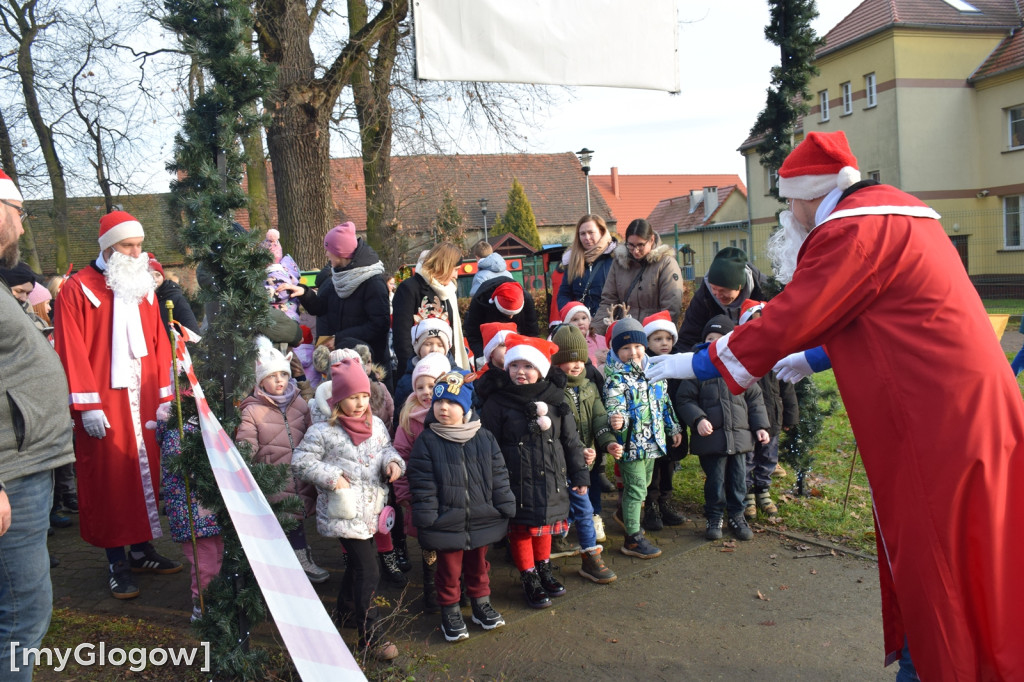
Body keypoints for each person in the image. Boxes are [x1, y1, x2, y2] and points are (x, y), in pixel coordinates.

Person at [646, 130, 1024, 680]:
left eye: (788, 204)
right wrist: (814, 357)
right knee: (978, 555)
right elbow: (891, 315)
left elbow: (789, 316)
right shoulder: (899, 219)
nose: (788, 217)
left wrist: (695, 363)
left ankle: (942, 667)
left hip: (938, 428)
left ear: (810, 195)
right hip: (967, 412)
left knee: (937, 564)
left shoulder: (852, 230)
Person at [52, 210, 179, 599]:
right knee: (109, 481)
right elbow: (70, 348)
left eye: (139, 245)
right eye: (128, 246)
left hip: (143, 399)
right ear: (108, 246)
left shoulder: (141, 285)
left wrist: (165, 397)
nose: (137, 253)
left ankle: (141, 550)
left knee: (143, 475)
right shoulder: (76, 289)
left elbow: (158, 342)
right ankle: (116, 561)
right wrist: (86, 404)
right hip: (103, 401)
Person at [0, 170, 76, 680]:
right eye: (19, 213)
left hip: (23, 467)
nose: (23, 227)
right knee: (22, 615)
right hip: (11, 475)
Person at [291, 356, 404, 662]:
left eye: (364, 396)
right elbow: (300, 461)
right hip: (344, 513)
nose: (359, 403)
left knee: (357, 566)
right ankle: (371, 636)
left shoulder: (375, 424)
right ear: (338, 398)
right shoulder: (323, 431)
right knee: (369, 569)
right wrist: (333, 478)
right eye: (353, 397)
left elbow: (387, 449)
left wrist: (393, 463)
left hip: (371, 510)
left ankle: (344, 612)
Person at [478, 334, 589, 609]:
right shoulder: (497, 402)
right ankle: (529, 576)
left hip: (551, 477)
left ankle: (544, 569)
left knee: (544, 527)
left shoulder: (556, 399)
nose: (520, 371)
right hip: (515, 480)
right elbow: (488, 445)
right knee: (522, 530)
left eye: (528, 366)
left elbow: (571, 440)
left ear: (540, 369)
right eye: (514, 365)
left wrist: (580, 474)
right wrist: (491, 482)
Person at [407, 369, 515, 642]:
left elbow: (499, 474)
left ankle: (481, 604)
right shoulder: (428, 440)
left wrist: (504, 503)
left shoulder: (484, 437)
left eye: (452, 402)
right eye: (439, 401)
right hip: (446, 520)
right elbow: (422, 482)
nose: (444, 408)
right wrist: (428, 516)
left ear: (466, 407)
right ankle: (450, 611)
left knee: (479, 566)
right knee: (448, 571)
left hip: (481, 517)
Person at [236, 337, 327, 583]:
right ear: (260, 380)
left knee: (297, 519)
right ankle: (290, 564)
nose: (280, 381)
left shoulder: (299, 403)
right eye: (272, 376)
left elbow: (312, 433)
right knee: (285, 521)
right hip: (273, 476)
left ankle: (300, 559)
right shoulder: (251, 409)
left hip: (299, 474)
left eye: (284, 375)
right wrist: (244, 455)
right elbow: (247, 441)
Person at [674, 315, 769, 541]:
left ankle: (737, 515)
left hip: (739, 437)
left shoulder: (740, 369)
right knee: (715, 481)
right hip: (711, 439)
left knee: (738, 480)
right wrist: (698, 419)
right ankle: (714, 516)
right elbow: (685, 399)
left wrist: (760, 426)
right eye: (710, 339)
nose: (715, 343)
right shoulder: (698, 369)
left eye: (721, 338)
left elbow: (755, 400)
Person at [603, 317, 683, 559]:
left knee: (643, 485)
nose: (633, 352)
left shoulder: (655, 371)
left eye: (637, 346)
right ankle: (633, 539)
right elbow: (614, 404)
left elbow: (665, 402)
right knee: (637, 488)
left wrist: (673, 427)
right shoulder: (616, 378)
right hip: (630, 444)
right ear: (617, 351)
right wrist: (617, 418)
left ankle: (625, 514)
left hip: (653, 442)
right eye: (626, 348)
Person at [551, 324, 620, 583]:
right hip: (563, 461)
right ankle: (591, 556)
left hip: (585, 460)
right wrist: (580, 450)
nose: (576, 365)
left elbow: (599, 418)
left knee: (574, 506)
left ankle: (557, 536)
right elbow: (559, 430)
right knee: (584, 507)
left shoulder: (590, 387)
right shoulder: (553, 391)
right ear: (557, 361)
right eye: (570, 360)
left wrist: (608, 442)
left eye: (580, 359)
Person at [277, 222, 391, 376]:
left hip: (369, 365)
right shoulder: (336, 277)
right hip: (340, 362)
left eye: (328, 250)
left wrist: (339, 339)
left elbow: (379, 326)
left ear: (340, 252)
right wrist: (303, 292)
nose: (326, 254)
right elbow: (321, 307)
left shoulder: (373, 283)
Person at [154, 379, 222, 622]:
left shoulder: (206, 423)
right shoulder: (178, 430)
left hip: (209, 507)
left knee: (217, 556)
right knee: (205, 563)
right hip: (192, 509)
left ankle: (215, 599)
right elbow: (183, 465)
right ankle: (202, 606)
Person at [392, 352, 451, 612]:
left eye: (432, 385)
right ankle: (431, 589)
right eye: (420, 387)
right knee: (429, 545)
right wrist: (403, 492)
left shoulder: (453, 413)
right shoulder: (409, 418)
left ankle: (453, 585)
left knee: (450, 544)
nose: (426, 392)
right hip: (423, 495)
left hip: (450, 493)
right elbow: (400, 456)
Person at [736, 301, 798, 520]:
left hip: (772, 418)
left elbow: (787, 387)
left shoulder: (778, 356)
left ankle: (763, 489)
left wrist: (790, 416)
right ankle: (747, 493)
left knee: (768, 457)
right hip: (747, 420)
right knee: (748, 458)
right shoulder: (741, 356)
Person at [640, 311, 688, 531]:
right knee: (653, 465)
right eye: (658, 339)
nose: (664, 343)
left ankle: (665, 501)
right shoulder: (644, 364)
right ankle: (651, 504)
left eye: (668, 338)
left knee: (669, 463)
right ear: (648, 341)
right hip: (651, 424)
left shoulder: (679, 361)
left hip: (675, 422)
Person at [593, 218, 683, 335]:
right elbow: (608, 302)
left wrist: (659, 337)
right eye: (631, 245)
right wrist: (594, 334)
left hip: (652, 333)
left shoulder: (666, 263)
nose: (635, 251)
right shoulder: (619, 263)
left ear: (651, 240)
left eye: (641, 245)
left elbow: (671, 307)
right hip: (625, 333)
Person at [391, 243, 470, 373]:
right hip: (418, 371)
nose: (456, 276)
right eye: (455, 269)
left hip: (445, 369)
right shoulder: (409, 289)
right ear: (444, 266)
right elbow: (402, 339)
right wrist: (414, 372)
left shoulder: (448, 291)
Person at [676, 247, 769, 349]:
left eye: (723, 290)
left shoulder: (766, 292)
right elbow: (687, 338)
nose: (717, 294)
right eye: (714, 288)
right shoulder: (703, 296)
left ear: (739, 287)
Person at [557, 214, 618, 316]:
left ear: (602, 232)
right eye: (583, 234)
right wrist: (573, 313)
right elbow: (564, 294)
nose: (587, 238)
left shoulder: (615, 258)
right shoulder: (573, 260)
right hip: (581, 321)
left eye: (591, 232)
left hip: (608, 319)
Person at [463, 278, 539, 360]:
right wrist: (481, 356)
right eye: (506, 313)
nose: (511, 317)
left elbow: (531, 332)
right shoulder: (480, 300)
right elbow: (474, 334)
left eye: (514, 313)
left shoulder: (526, 298)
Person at [150, 255, 199, 335]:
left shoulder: (175, 298)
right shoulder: (141, 301)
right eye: (150, 276)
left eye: (158, 275)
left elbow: (191, 330)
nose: (155, 279)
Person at [558, 300, 608, 372]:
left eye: (584, 318)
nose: (581, 322)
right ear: (567, 324)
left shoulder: (601, 339)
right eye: (575, 320)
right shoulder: (565, 343)